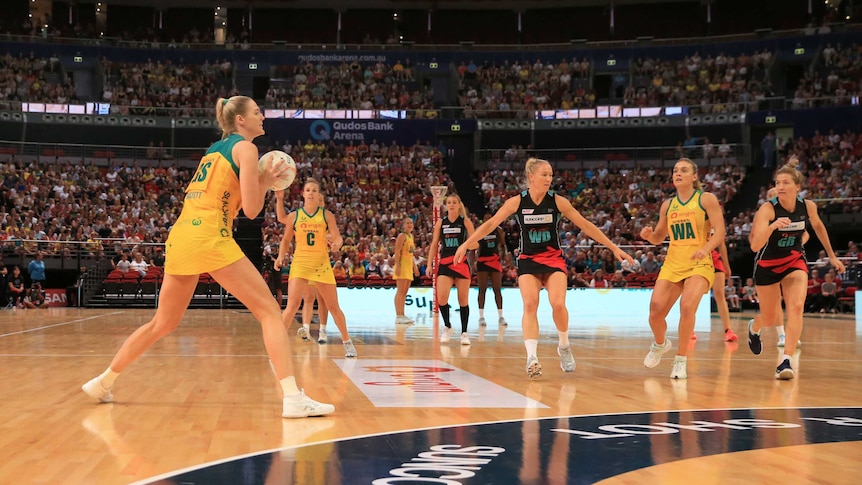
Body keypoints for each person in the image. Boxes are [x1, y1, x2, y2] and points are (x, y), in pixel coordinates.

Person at [82, 95, 336, 419]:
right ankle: (293, 398)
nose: (262, 117)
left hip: (182, 235)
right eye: (257, 113)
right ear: (241, 120)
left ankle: (104, 382)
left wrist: (261, 181)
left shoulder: (214, 150)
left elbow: (241, 203)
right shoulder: (247, 148)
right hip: (209, 234)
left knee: (163, 323)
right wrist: (268, 181)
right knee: (270, 311)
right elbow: (254, 210)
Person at [454, 158, 633, 378]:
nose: (549, 179)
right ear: (531, 177)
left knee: (558, 304)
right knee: (530, 304)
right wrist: (465, 243)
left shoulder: (558, 202)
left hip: (553, 259)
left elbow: (586, 225)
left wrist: (613, 247)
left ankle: (564, 346)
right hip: (528, 259)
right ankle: (532, 358)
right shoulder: (517, 202)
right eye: (544, 175)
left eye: (550, 175)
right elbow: (491, 224)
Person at [747, 157, 845, 379]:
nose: (780, 186)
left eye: (785, 183)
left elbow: (819, 229)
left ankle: (786, 360)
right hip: (767, 264)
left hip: (794, 261)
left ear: (797, 187)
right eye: (777, 183)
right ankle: (755, 327)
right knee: (771, 318)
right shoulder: (767, 209)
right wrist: (772, 227)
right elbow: (754, 245)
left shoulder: (807, 207)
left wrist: (832, 257)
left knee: (796, 306)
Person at [640, 158, 726, 380]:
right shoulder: (668, 205)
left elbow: (720, 232)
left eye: (684, 170)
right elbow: (660, 237)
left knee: (687, 307)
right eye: (676, 170)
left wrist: (706, 249)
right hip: (673, 262)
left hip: (699, 262)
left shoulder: (706, 199)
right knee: (655, 311)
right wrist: (650, 236)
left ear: (694, 176)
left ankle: (680, 360)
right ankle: (660, 344)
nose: (678, 173)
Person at [274, 179, 357, 358]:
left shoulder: (327, 215)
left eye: (314, 190)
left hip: (321, 264)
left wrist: (337, 244)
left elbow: (337, 237)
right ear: (303, 194)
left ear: (319, 195)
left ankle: (347, 341)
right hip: (300, 264)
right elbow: (286, 240)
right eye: (308, 190)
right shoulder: (295, 216)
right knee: (292, 306)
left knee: (334, 306)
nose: (311, 193)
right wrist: (281, 256)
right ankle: (277, 346)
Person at [277, 190, 331, 344]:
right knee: (307, 298)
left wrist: (332, 240)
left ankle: (323, 330)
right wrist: (280, 199)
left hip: (321, 264)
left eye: (320, 199)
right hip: (304, 263)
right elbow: (281, 218)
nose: (316, 201)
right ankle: (306, 328)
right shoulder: (299, 216)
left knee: (322, 300)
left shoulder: (325, 218)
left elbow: (335, 237)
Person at [428, 194, 478, 346]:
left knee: (463, 300)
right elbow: (434, 244)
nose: (451, 205)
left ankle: (464, 333)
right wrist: (430, 264)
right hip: (445, 262)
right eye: (449, 202)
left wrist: (466, 247)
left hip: (461, 263)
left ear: (458, 205)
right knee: (442, 299)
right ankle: (448, 326)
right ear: (446, 205)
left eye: (454, 202)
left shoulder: (466, 222)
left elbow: (475, 244)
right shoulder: (440, 223)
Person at [474, 221, 507, 327]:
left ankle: (501, 317)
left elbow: (503, 245)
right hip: (482, 261)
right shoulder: (480, 230)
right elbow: (474, 247)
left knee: (497, 289)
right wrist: (473, 262)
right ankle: (481, 317)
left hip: (495, 260)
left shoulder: (498, 230)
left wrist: (503, 257)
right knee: (482, 289)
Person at [393, 217, 419, 324]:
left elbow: (411, 254)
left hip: (408, 266)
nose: (410, 225)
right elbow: (397, 251)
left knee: (405, 292)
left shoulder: (410, 236)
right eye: (407, 223)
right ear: (403, 225)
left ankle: (402, 314)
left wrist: (415, 267)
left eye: (411, 223)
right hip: (402, 265)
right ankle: (399, 315)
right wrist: (398, 266)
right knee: (400, 291)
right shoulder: (402, 236)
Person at [711, 242, 739, 342]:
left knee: (719, 294)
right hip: (697, 257)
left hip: (714, 258)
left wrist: (727, 266)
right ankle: (690, 330)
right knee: (695, 295)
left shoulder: (717, 226)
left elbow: (721, 244)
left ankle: (728, 330)